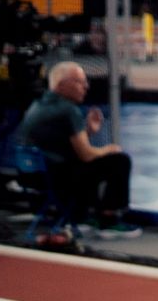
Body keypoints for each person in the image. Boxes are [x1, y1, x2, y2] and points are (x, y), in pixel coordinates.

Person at [20, 61, 140, 238]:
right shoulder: (68, 110)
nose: (86, 86)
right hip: (63, 179)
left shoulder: (36, 106)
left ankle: (81, 216)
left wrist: (88, 131)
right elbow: (86, 154)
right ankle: (109, 220)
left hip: (34, 176)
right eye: (80, 82)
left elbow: (62, 143)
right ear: (62, 85)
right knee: (119, 160)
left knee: (83, 163)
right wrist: (109, 149)